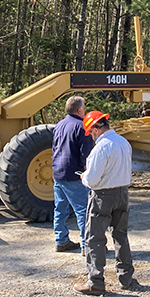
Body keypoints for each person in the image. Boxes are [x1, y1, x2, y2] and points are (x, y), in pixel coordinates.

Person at [74, 111, 135, 296]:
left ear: (94, 129)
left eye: (90, 132)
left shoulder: (101, 148)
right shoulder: (123, 142)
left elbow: (92, 180)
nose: (91, 136)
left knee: (95, 239)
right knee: (121, 235)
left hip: (103, 196)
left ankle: (96, 282)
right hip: (123, 193)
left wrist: (84, 177)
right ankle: (126, 277)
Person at [52, 95, 93, 254]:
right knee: (84, 210)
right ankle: (87, 245)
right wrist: (89, 171)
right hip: (74, 174)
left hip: (58, 172)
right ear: (80, 110)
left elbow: (55, 147)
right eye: (84, 107)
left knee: (60, 208)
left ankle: (61, 240)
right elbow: (87, 154)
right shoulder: (83, 127)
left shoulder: (59, 125)